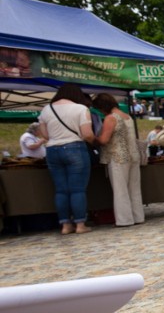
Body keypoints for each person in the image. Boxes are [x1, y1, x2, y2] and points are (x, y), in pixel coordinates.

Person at [38, 83, 96, 235]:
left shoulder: (46, 109)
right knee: (77, 190)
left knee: (61, 190)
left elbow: (45, 135)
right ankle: (80, 224)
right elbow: (87, 134)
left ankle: (65, 225)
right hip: (74, 147)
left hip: (52, 150)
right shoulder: (81, 109)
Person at [92, 93, 144, 227]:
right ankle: (138, 216)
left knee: (120, 190)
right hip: (133, 155)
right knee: (134, 188)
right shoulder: (128, 116)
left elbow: (104, 139)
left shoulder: (111, 118)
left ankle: (124, 219)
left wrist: (92, 138)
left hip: (118, 157)